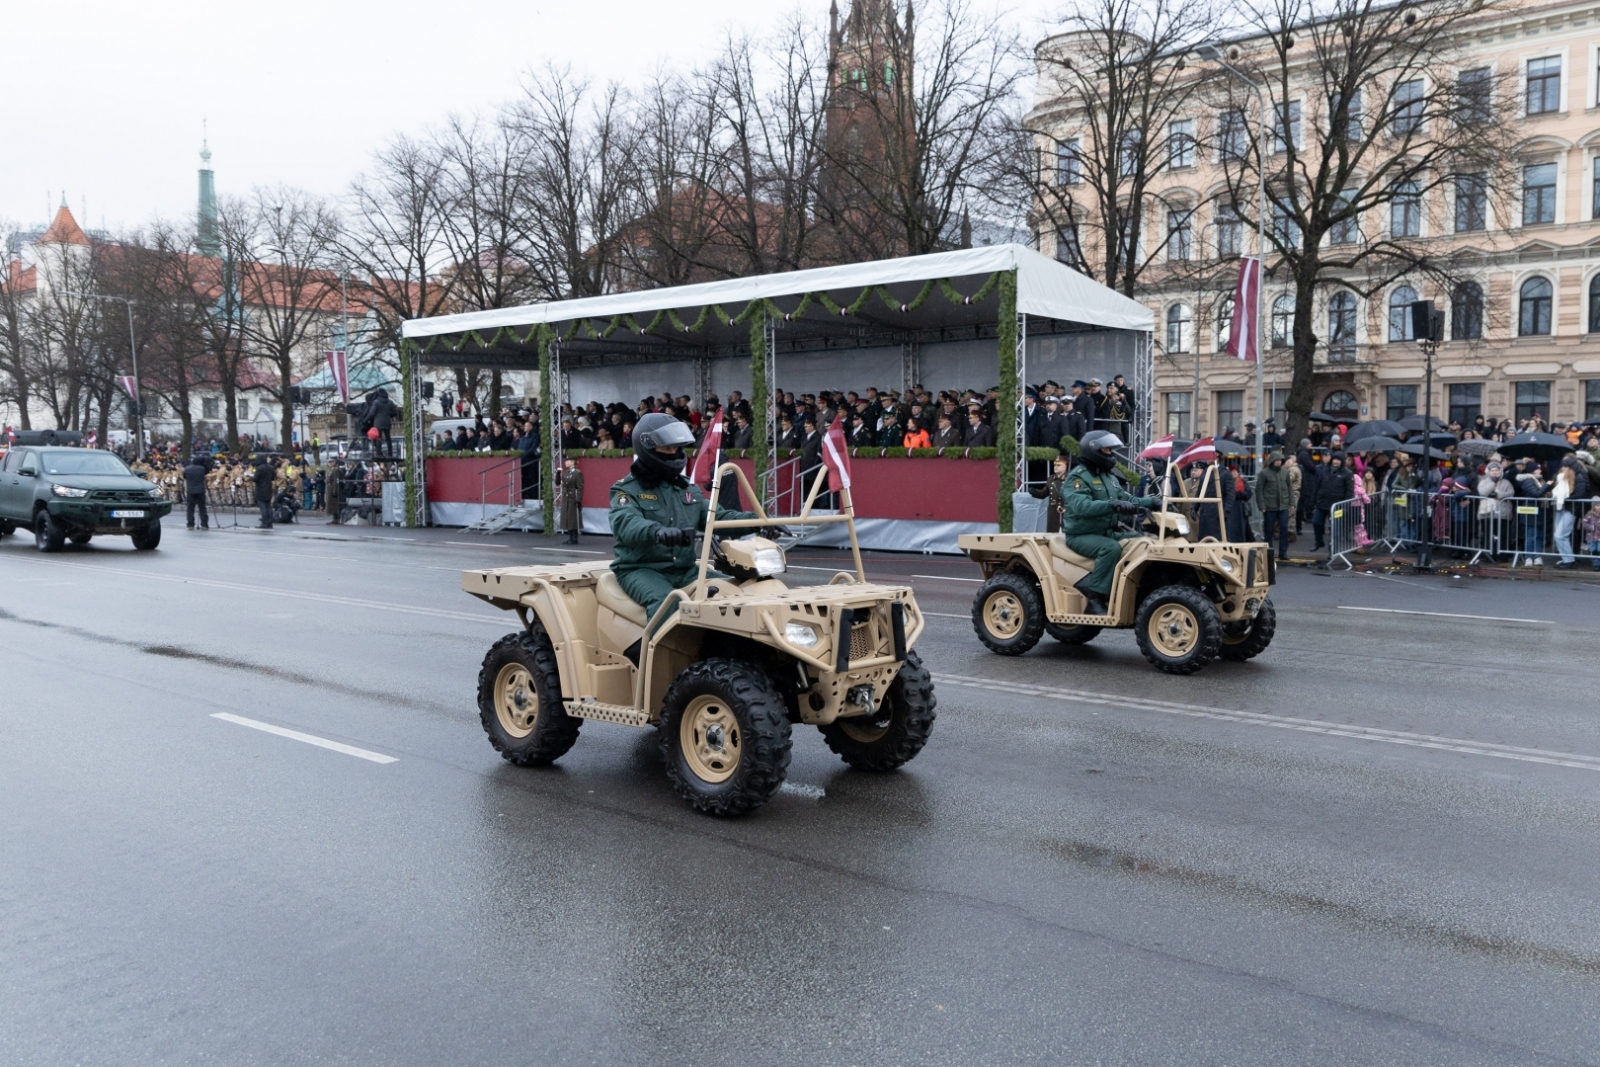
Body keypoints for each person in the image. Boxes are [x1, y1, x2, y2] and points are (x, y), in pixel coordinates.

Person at [609, 413, 758, 623]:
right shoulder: (626, 489)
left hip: (685, 569)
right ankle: (659, 654)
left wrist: (757, 522)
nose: (674, 453)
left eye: (676, 448)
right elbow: (625, 523)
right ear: (648, 448)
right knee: (665, 603)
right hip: (642, 569)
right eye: (667, 448)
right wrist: (658, 532)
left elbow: (718, 516)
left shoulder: (686, 487)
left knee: (739, 589)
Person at [1060, 430, 1160, 615]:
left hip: (1105, 531)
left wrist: (1153, 502)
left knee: (1141, 540)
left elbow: (1128, 499)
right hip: (1081, 535)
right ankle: (1095, 598)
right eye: (1107, 450)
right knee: (1111, 548)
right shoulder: (1077, 478)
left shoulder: (1109, 478)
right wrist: (1112, 505)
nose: (1111, 455)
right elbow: (1082, 506)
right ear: (1094, 451)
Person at [1311, 452, 1354, 553]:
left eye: (1338, 460)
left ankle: (1333, 550)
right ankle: (1319, 541)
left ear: (1342, 461)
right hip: (1322, 503)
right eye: (1334, 459)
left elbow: (1349, 491)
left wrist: (1345, 506)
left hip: (1337, 506)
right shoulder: (1324, 470)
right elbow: (1316, 485)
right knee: (1316, 523)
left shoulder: (1347, 473)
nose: (1335, 461)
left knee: (1336, 529)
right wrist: (1312, 501)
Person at [1254, 451, 1293, 560]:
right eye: (1276, 460)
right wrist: (1261, 505)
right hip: (1269, 506)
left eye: (1280, 460)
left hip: (1283, 506)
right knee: (1269, 530)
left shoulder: (1285, 473)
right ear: (1272, 461)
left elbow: (1289, 488)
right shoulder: (1264, 473)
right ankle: (1268, 551)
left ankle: (1283, 552)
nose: (1278, 462)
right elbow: (1259, 490)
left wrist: (1292, 502)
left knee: (1284, 529)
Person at [559, 457, 584, 544]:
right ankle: (570, 535)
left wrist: (578, 499)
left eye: (567, 461)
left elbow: (580, 487)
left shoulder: (577, 473)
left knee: (573, 517)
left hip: (573, 496)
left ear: (572, 462)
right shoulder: (565, 473)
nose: (565, 462)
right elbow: (558, 483)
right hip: (566, 497)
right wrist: (558, 473)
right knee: (566, 517)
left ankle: (574, 536)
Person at [182, 455, 211, 529]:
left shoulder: (187, 468)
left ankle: (190, 523)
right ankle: (204, 524)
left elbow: (184, 476)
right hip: (200, 490)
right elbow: (208, 470)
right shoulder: (202, 468)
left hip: (190, 490)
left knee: (190, 508)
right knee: (202, 507)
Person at [253, 455, 277, 529]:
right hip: (268, 488)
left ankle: (264, 522)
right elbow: (273, 477)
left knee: (263, 507)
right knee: (268, 506)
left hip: (260, 489)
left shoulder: (259, 468)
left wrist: (251, 477)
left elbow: (256, 478)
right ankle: (270, 522)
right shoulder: (271, 467)